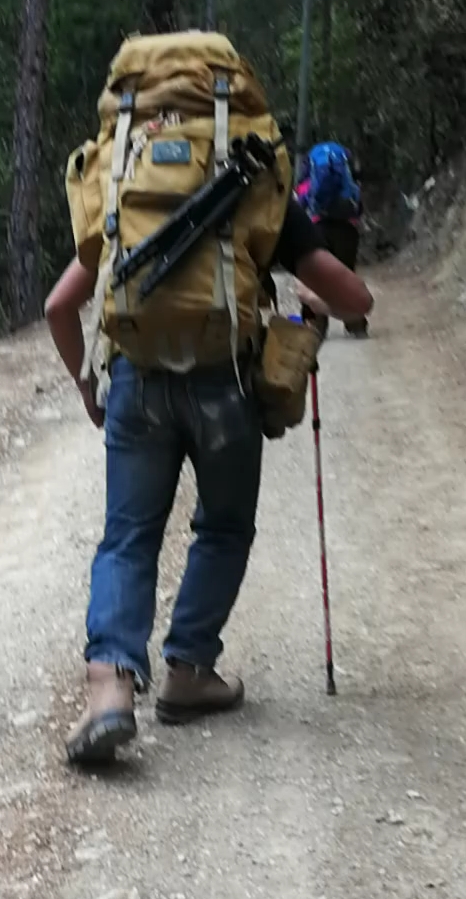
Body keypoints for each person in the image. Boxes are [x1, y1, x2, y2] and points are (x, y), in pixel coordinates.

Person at [45, 180, 372, 767]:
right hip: (229, 385)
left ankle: (109, 689)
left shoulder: (126, 176)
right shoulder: (252, 176)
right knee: (223, 528)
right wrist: (315, 304)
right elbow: (353, 300)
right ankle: (190, 670)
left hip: (137, 384)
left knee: (129, 537)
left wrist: (88, 385)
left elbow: (58, 305)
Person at [299, 142, 368, 338]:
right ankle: (356, 325)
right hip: (347, 230)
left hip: (317, 227)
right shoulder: (348, 172)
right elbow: (359, 205)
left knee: (314, 276)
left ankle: (314, 324)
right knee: (346, 275)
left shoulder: (309, 172)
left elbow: (302, 200)